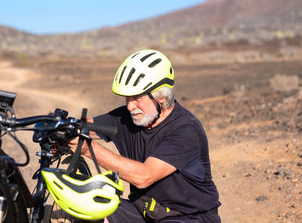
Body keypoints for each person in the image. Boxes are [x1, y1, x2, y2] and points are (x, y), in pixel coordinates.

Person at [69, 49, 221, 223]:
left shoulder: (186, 129)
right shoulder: (128, 118)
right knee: (92, 206)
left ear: (162, 98)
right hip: (145, 212)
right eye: (127, 98)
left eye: (137, 98)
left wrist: (87, 148)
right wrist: (61, 125)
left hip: (188, 217)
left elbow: (144, 176)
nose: (130, 106)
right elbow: (86, 126)